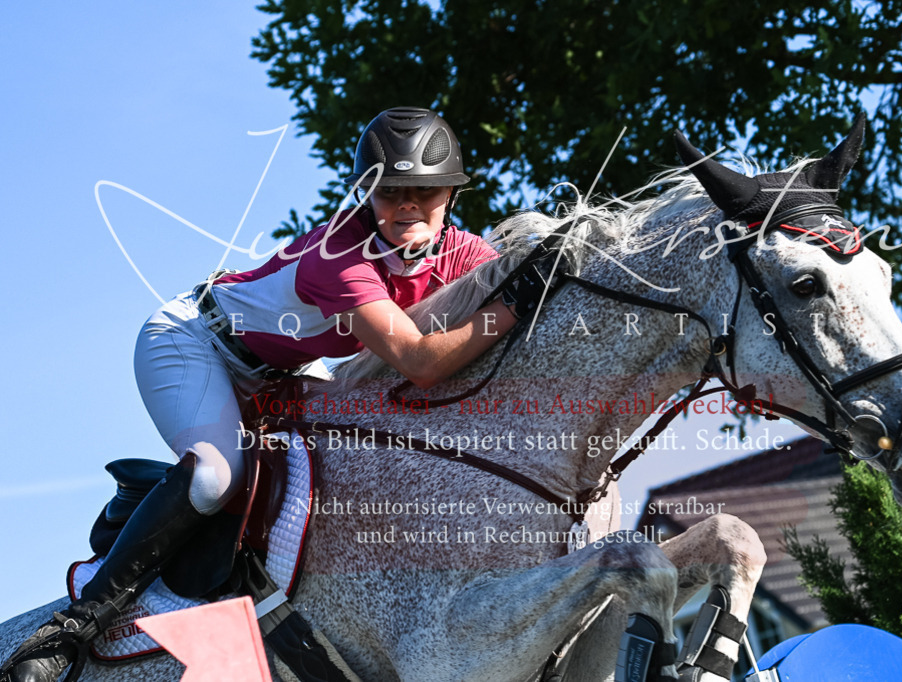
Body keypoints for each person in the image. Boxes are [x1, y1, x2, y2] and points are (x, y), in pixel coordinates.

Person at [2, 107, 549, 682]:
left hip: (282, 369)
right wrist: (512, 307)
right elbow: (421, 361)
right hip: (196, 342)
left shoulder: (460, 251)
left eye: (424, 190)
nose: (407, 204)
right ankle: (75, 626)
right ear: (366, 197)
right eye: (390, 192)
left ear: (450, 197)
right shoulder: (340, 253)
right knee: (217, 475)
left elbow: (511, 278)